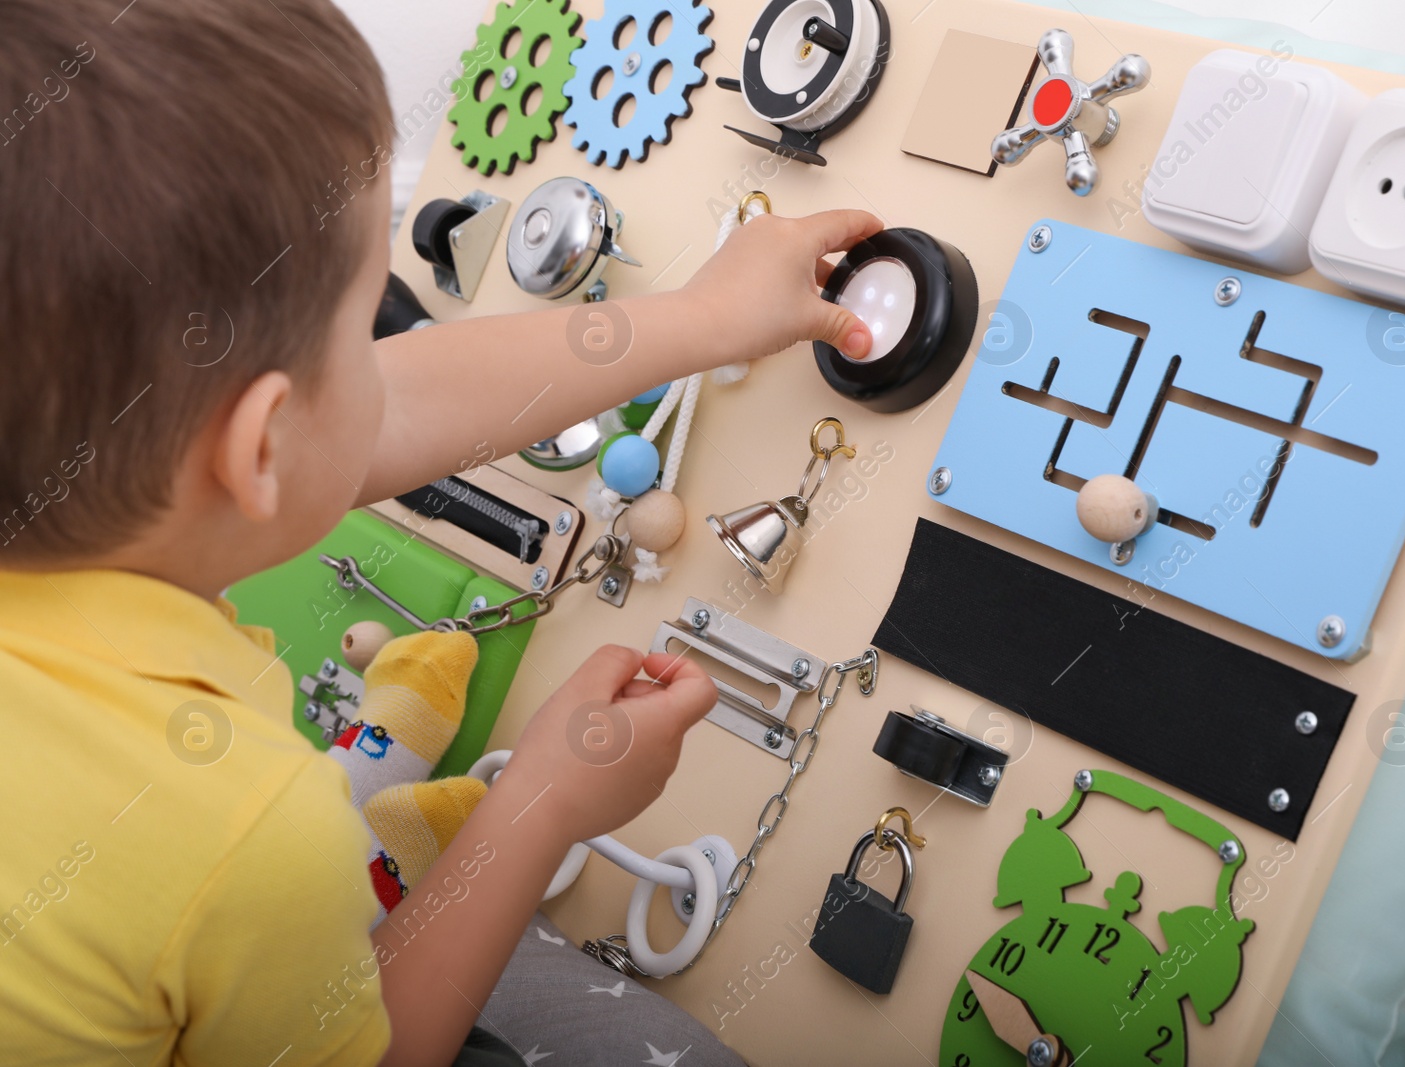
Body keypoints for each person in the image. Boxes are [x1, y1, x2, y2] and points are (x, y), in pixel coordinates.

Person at [0, 1, 881, 1064]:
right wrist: (542, 803)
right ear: (260, 446)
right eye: (367, 315)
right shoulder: (240, 832)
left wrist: (698, 321)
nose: (388, 348)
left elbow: (376, 413)